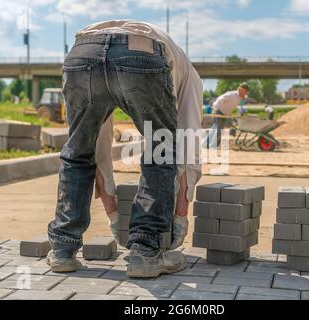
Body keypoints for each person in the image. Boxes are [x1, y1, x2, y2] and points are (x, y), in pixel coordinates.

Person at [46, 20, 203, 278]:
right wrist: (180, 216)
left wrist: (113, 211)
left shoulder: (178, 67)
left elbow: (96, 145)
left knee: (78, 151)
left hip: (82, 52)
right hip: (142, 53)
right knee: (160, 151)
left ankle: (63, 250)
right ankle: (145, 252)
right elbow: (188, 146)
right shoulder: (191, 78)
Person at [204, 83, 249, 148]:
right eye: (245, 92)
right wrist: (215, 109)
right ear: (240, 89)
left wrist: (229, 112)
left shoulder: (240, 97)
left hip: (224, 114)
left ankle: (207, 144)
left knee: (215, 128)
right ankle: (213, 145)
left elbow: (232, 105)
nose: (245, 94)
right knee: (219, 128)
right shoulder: (232, 94)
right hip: (217, 111)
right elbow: (220, 99)